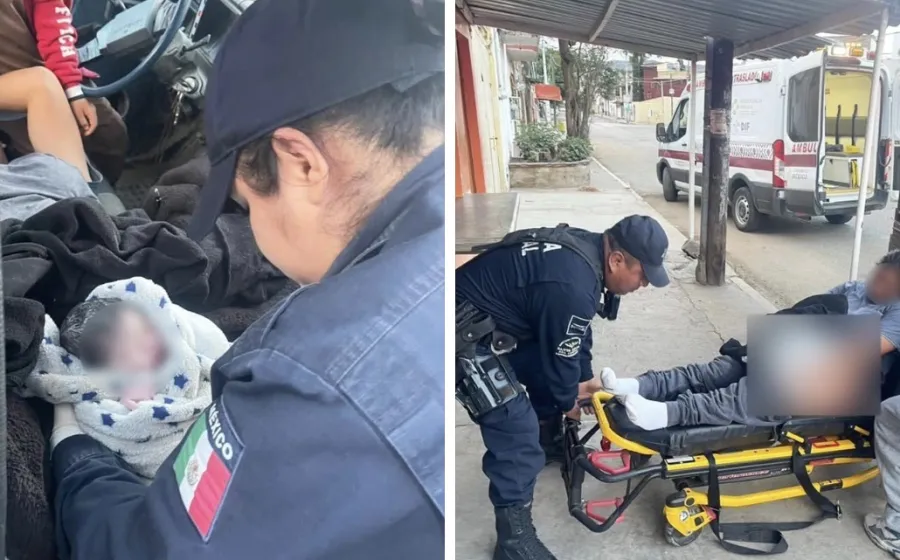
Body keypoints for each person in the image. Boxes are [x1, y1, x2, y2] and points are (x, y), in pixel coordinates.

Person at [48, 0, 445, 557]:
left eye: (244, 203)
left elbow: (148, 550)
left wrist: (76, 458)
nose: (250, 226)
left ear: (300, 162)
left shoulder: (313, 381)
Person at [456, 215, 669, 560]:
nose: (644, 284)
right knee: (515, 428)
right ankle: (513, 542)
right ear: (617, 260)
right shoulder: (573, 283)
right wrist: (568, 399)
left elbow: (575, 332)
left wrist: (581, 380)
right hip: (457, 331)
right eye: (643, 275)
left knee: (553, 376)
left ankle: (548, 440)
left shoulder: (587, 254)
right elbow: (561, 356)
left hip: (491, 319)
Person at [25, 277, 229, 479]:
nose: (153, 342)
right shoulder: (118, 385)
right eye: (136, 349)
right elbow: (136, 423)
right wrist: (136, 401)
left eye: (146, 329)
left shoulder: (171, 326)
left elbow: (215, 347)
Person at [0, 0, 128, 182]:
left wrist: (72, 88)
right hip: (15, 95)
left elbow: (53, 20)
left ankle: (93, 192)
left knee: (110, 135)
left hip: (45, 68)